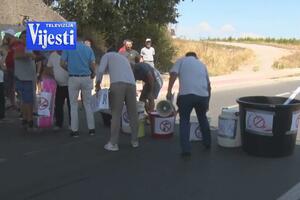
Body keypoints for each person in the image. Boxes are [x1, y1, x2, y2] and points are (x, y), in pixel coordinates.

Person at [167, 52, 211, 158]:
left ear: (186, 56)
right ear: (196, 57)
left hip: (186, 96)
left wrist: (169, 90)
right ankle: (207, 143)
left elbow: (173, 74)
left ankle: (186, 149)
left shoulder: (181, 60)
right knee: (202, 118)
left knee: (184, 121)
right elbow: (209, 86)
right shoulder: (202, 64)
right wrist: (207, 102)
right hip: (202, 96)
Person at [95, 48, 139, 151]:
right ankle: (135, 141)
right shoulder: (124, 58)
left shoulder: (107, 56)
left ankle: (113, 143)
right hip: (132, 85)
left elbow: (101, 70)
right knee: (133, 113)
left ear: (108, 51)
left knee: (116, 114)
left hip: (118, 84)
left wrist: (98, 84)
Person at [61, 37, 96, 137]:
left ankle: (74, 130)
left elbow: (62, 63)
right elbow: (92, 64)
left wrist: (69, 69)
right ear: (82, 40)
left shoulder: (68, 48)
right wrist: (93, 72)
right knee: (87, 103)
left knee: (73, 104)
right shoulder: (88, 49)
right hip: (86, 77)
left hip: (73, 78)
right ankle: (91, 129)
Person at [14, 30, 37, 131]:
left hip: (26, 77)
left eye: (26, 37)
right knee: (28, 100)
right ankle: (29, 121)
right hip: (23, 78)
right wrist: (28, 55)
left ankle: (25, 119)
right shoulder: (20, 46)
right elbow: (16, 56)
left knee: (25, 100)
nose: (25, 39)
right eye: (23, 37)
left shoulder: (30, 47)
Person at [45, 51, 70, 130]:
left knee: (71, 105)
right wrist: (53, 76)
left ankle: (72, 124)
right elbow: (48, 67)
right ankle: (58, 123)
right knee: (58, 105)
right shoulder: (53, 55)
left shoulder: (70, 53)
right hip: (59, 84)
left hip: (71, 84)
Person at [2, 29, 17, 110]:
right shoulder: (6, 45)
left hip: (13, 68)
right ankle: (11, 103)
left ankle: (12, 103)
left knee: (12, 86)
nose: (4, 36)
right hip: (8, 68)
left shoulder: (14, 45)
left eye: (6, 35)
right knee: (9, 86)